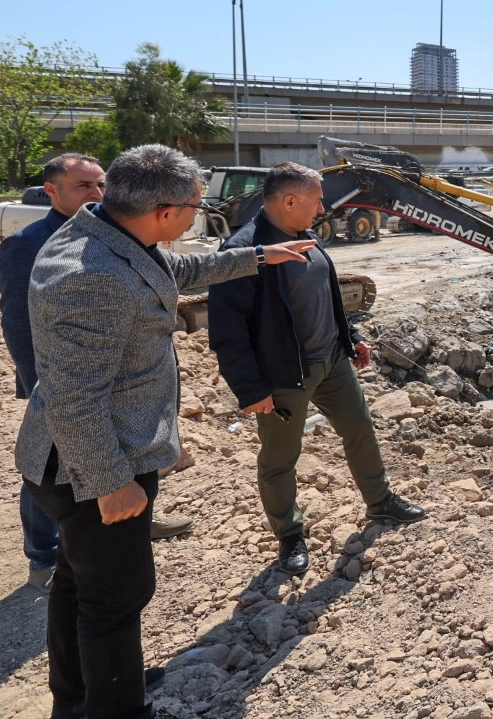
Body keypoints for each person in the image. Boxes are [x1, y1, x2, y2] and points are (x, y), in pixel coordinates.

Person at [15, 145, 313, 719]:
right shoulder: (93, 277)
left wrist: (258, 255)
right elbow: (77, 399)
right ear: (163, 211)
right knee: (116, 602)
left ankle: (79, 698)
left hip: (80, 456)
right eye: (195, 208)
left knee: (80, 586)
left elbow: (178, 270)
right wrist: (112, 483)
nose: (196, 217)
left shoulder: (105, 235)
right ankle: (114, 704)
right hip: (92, 467)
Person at [208, 161, 424, 576]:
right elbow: (228, 332)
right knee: (280, 458)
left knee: (360, 428)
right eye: (316, 199)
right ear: (289, 201)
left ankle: (381, 503)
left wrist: (350, 339)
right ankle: (289, 536)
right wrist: (252, 390)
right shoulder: (243, 251)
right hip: (285, 375)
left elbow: (325, 298)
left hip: (332, 363)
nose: (323, 206)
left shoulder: (305, 235)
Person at [0, 154, 104, 592]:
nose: (97, 195)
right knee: (47, 465)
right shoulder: (27, 244)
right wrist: (39, 382)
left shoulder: (109, 233)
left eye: (101, 185)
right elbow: (19, 319)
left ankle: (123, 526)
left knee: (112, 451)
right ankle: (43, 558)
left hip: (107, 374)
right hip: (57, 381)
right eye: (84, 186)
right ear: (51, 191)